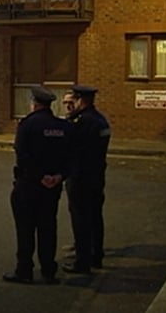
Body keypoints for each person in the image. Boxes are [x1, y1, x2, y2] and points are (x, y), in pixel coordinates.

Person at [3, 86, 72, 285]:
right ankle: (49, 270)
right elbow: (71, 156)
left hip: (29, 186)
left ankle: (24, 270)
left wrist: (40, 176)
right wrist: (59, 176)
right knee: (48, 227)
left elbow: (23, 156)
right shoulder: (63, 127)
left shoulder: (27, 125)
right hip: (52, 188)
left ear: (34, 103)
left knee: (25, 230)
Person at [62, 85, 111, 274]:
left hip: (80, 176)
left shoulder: (82, 122)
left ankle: (82, 261)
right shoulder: (101, 121)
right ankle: (96, 255)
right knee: (95, 217)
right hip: (97, 175)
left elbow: (71, 147)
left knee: (80, 219)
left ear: (80, 100)